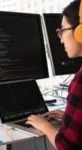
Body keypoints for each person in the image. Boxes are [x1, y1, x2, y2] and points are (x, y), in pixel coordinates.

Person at [26, 0, 82, 149]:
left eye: (63, 30)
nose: (61, 40)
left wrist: (44, 125)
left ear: (80, 31)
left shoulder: (80, 83)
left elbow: (66, 146)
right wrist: (69, 119)